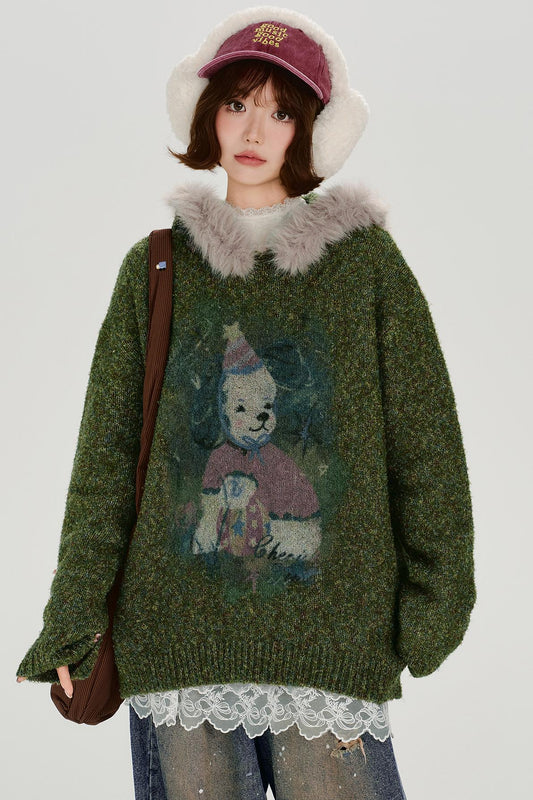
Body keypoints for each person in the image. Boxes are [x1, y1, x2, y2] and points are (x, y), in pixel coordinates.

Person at [16, 6, 476, 799]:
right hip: (177, 647)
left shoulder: (365, 267)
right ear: (205, 114)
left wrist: (438, 601)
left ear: (313, 132)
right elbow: (106, 459)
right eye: (236, 103)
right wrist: (74, 613)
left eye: (280, 111)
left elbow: (424, 441)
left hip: (330, 644)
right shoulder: (156, 269)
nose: (253, 129)